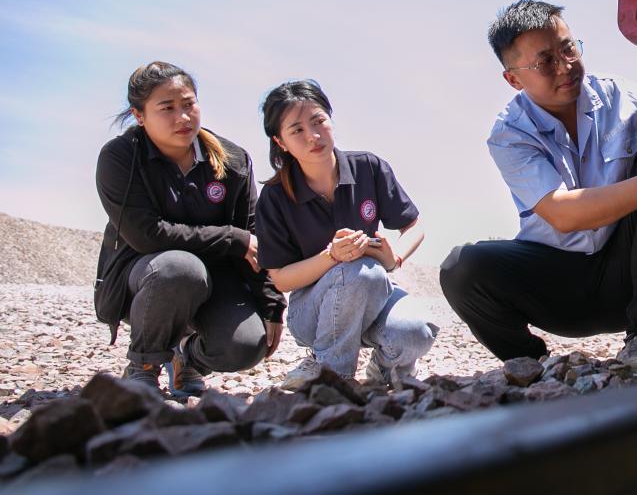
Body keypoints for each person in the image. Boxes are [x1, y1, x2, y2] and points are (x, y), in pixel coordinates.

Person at [440, 0, 637, 361]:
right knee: (461, 268)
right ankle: (530, 364)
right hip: (556, 286)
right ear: (513, 79)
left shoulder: (621, 97)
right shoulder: (510, 133)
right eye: (546, 62)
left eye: (569, 48)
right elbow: (563, 214)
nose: (566, 66)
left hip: (626, 276)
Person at [95, 61, 285, 396]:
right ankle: (144, 365)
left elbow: (253, 235)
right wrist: (231, 239)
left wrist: (271, 305)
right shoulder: (121, 157)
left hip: (217, 278)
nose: (182, 117)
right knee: (180, 268)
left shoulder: (232, 159)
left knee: (245, 345)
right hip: (146, 279)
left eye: (188, 104)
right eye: (166, 108)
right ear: (140, 116)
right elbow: (146, 235)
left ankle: (185, 357)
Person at [254, 80, 437, 384]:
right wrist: (332, 257)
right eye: (297, 130)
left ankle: (381, 369)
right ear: (281, 142)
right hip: (312, 311)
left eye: (318, 121)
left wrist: (396, 257)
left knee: (417, 332)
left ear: (330, 119)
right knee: (360, 272)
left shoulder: (369, 167)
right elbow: (280, 278)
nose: (313, 136)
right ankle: (331, 375)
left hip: (374, 293)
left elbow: (414, 226)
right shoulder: (275, 197)